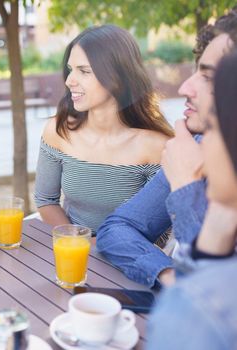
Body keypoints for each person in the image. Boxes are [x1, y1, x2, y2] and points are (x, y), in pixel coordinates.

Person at [96, 9, 237, 288]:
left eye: (209, 78)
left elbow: (218, 303)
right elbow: (116, 229)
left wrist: (187, 188)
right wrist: (169, 276)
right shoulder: (199, 147)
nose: (185, 87)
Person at [34, 24, 173, 235]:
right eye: (71, 70)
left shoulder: (155, 146)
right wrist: (76, 241)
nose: (70, 81)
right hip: (71, 252)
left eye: (84, 71)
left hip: (127, 259)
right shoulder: (58, 130)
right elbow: (46, 200)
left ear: (117, 77)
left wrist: (94, 248)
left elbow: (156, 229)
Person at [146, 50, 237, 350]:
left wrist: (187, 186)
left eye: (213, 125)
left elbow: (195, 306)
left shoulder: (205, 308)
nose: (203, 142)